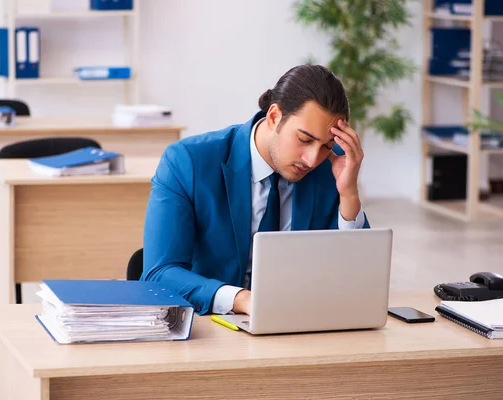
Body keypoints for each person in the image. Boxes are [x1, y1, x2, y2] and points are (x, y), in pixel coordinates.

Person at [141, 64, 369, 316]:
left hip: (300, 329)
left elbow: (357, 279)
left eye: (326, 145)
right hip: (211, 329)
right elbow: (159, 273)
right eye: (304, 139)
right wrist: (241, 300)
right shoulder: (188, 161)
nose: (312, 159)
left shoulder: (332, 167)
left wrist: (349, 194)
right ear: (274, 117)